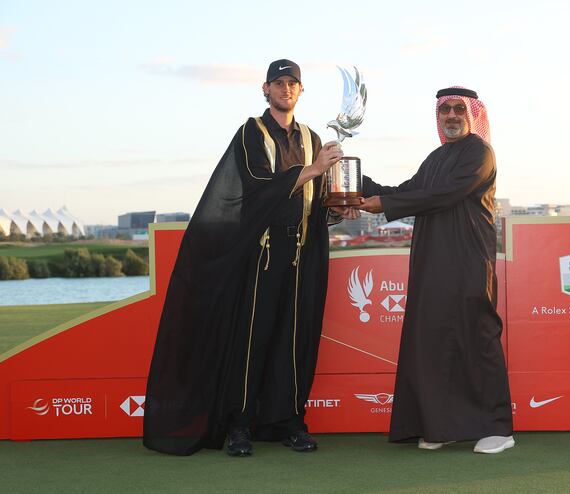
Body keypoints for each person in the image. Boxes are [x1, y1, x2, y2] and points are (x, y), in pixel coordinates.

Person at [144, 59, 346, 457]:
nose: (286, 89)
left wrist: (339, 206)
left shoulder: (311, 137)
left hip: (301, 252)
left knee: (293, 339)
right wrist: (315, 168)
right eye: (278, 83)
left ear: (301, 91)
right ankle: (239, 424)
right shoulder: (251, 132)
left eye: (292, 83)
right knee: (252, 339)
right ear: (265, 89)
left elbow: (317, 198)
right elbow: (257, 187)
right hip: (262, 253)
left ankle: (288, 420)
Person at [356, 87, 514, 454]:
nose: (453, 115)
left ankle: (498, 428)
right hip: (432, 264)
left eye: (460, 109)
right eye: (446, 110)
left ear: (473, 114)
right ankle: (442, 426)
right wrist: (354, 182)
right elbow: (406, 191)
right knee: (434, 340)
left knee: (477, 337)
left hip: (468, 261)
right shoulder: (436, 157)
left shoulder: (480, 152)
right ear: (438, 116)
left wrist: (386, 204)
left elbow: (443, 194)